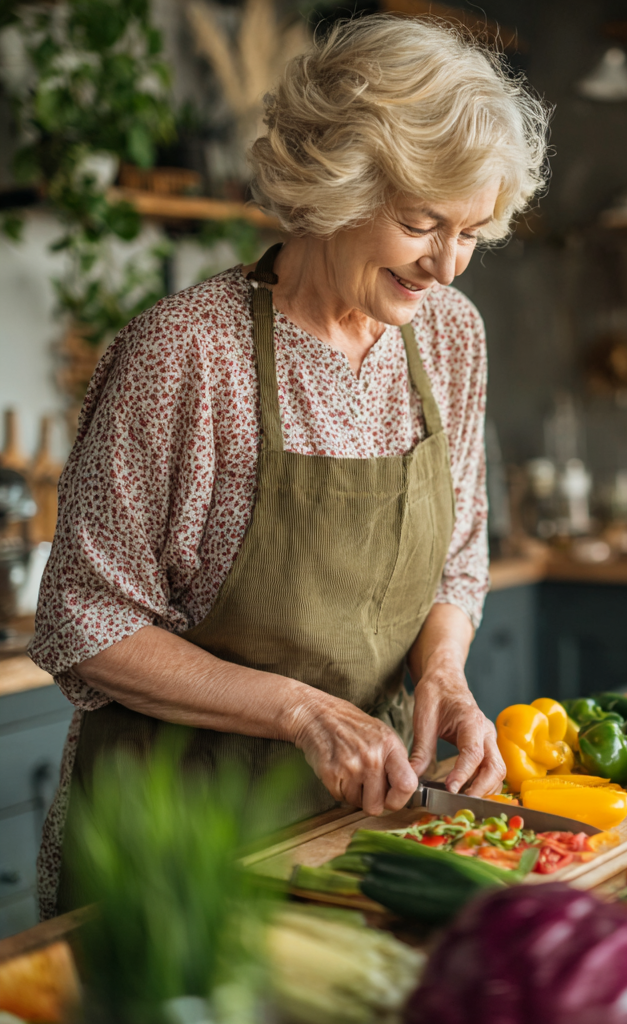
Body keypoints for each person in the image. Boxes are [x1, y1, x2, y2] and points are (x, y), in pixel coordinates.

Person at [29, 13, 549, 916]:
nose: (446, 267)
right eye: (422, 222)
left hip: (357, 832)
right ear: (336, 184)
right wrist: (302, 711)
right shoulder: (186, 354)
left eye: (470, 232)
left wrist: (444, 674)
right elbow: (85, 619)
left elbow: (458, 557)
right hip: (175, 847)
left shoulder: (450, 338)